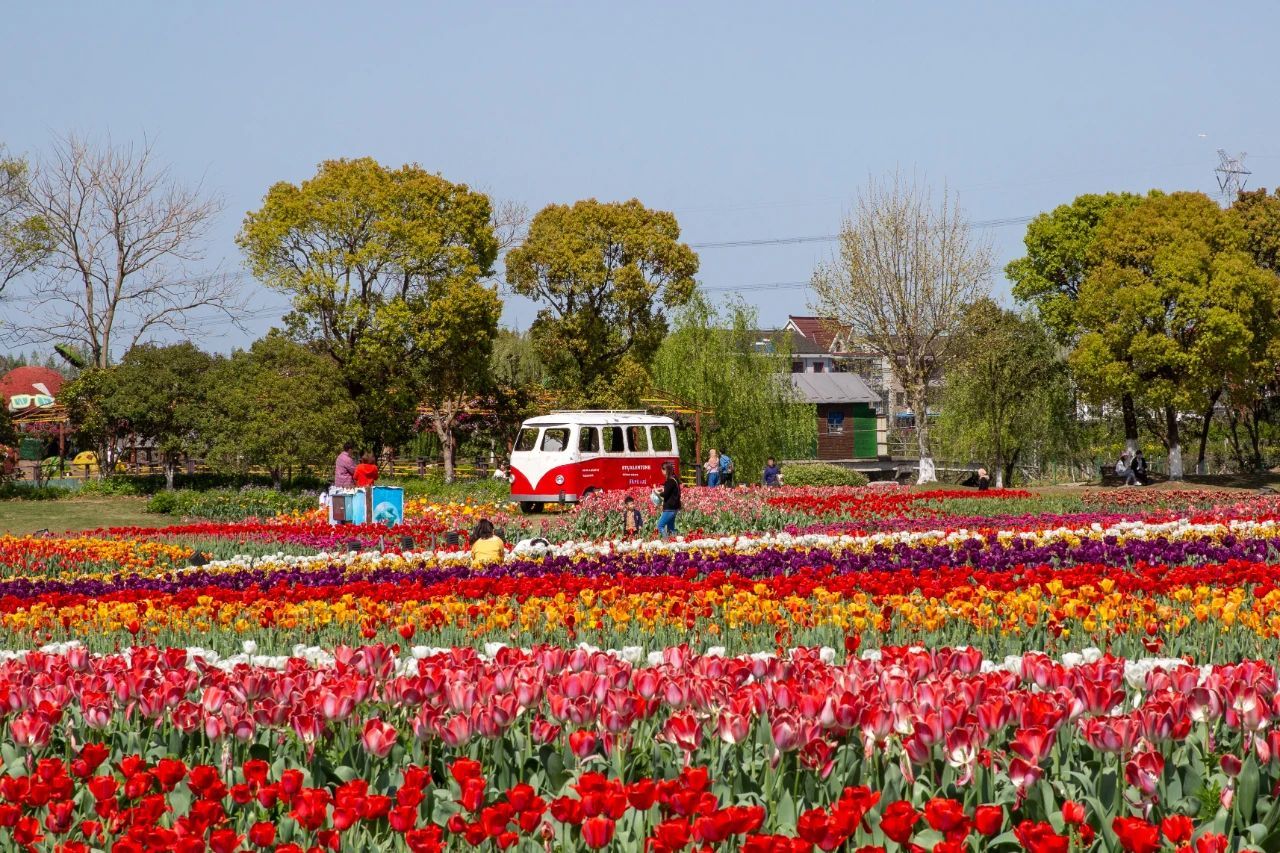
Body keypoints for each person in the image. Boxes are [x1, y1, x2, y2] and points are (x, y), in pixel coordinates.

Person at [655, 462, 681, 538]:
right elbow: (671, 491)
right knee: (671, 528)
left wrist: (657, 492)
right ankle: (675, 542)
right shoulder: (674, 478)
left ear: (665, 470)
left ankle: (666, 542)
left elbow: (665, 494)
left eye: (662, 470)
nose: (661, 471)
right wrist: (663, 489)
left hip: (669, 508)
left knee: (660, 525)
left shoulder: (670, 481)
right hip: (675, 508)